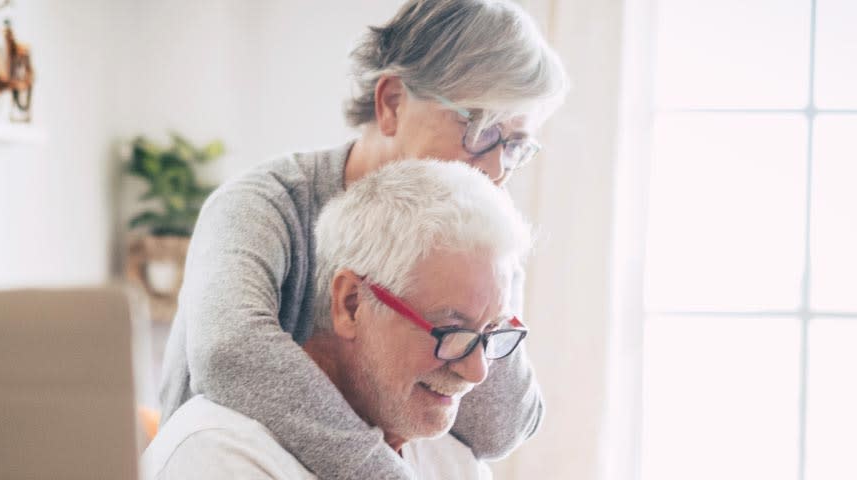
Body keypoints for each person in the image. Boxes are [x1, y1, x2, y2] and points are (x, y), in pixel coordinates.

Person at [157, 0, 567, 478]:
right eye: (479, 128)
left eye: (515, 144)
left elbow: (502, 426)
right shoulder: (265, 204)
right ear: (391, 102)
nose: (497, 168)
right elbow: (229, 352)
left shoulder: (476, 236)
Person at [144, 161, 530, 480]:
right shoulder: (218, 457)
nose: (477, 372)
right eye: (452, 330)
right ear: (350, 304)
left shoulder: (447, 455)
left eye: (491, 332)